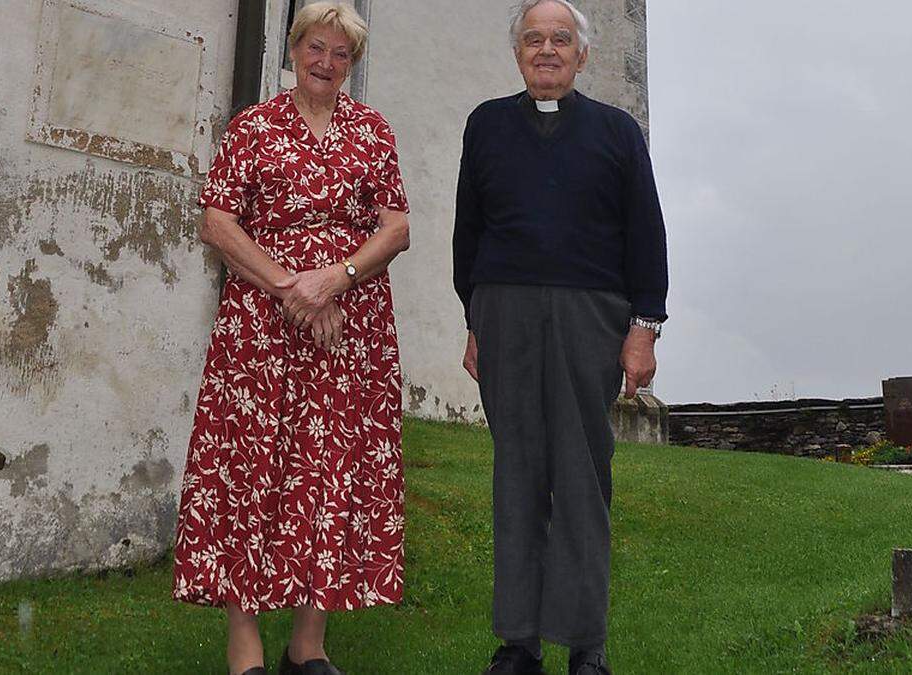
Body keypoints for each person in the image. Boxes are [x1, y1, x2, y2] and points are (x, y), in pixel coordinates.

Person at [172, 3, 411, 674]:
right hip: (260, 329)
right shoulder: (254, 125)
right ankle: (244, 640)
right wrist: (293, 289)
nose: (325, 61)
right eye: (315, 46)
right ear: (294, 48)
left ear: (351, 65)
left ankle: (308, 645)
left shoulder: (372, 130)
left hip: (349, 330)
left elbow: (395, 228)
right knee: (249, 468)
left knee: (330, 472)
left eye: (340, 53)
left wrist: (335, 279)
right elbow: (218, 223)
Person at [453, 1, 668, 674]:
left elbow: (646, 234)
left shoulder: (617, 131)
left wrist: (644, 327)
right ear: (517, 52)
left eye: (560, 40)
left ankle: (585, 643)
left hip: (589, 317)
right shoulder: (486, 124)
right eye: (533, 39)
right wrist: (474, 320)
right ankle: (518, 640)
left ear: (583, 54)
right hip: (504, 312)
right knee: (516, 471)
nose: (546, 50)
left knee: (582, 473)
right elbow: (469, 232)